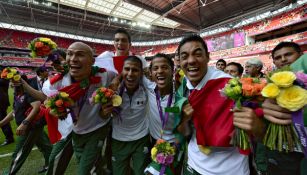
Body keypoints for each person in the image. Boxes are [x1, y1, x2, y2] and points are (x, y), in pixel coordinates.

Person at [176, 35, 264, 175]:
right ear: (179, 61)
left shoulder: (231, 85)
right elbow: (185, 131)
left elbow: (260, 133)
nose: (191, 60)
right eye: (185, 56)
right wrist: (184, 120)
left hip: (231, 171)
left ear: (208, 57)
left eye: (198, 54)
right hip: (193, 167)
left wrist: (258, 126)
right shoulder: (183, 87)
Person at [45, 42, 116, 174]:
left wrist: (113, 90)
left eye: (80, 55)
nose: (73, 59)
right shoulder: (59, 81)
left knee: (85, 170)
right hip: (76, 131)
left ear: (92, 61)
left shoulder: (105, 76)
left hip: (97, 128)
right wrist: (56, 110)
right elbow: (46, 97)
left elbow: (119, 76)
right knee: (95, 167)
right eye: (70, 54)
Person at [260, 41, 305, 175]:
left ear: (301, 55)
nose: (283, 59)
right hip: (282, 150)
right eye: (278, 58)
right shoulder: (269, 85)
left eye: (288, 54)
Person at [0, 75, 52, 175]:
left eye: (12, 81)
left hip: (30, 126)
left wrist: (24, 123)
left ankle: (9, 173)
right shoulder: (17, 93)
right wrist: (2, 123)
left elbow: (36, 106)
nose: (10, 83)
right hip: (34, 126)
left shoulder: (28, 92)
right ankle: (50, 164)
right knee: (46, 146)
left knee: (19, 152)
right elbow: (14, 111)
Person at [144, 53, 185, 175]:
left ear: (172, 71)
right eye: (155, 68)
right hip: (154, 142)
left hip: (174, 144)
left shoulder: (181, 94)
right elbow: (129, 69)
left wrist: (175, 147)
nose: (160, 71)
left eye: (165, 67)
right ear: (150, 73)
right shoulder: (148, 87)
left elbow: (186, 124)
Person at [109, 56, 150, 175]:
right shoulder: (113, 90)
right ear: (122, 71)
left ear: (141, 73)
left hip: (141, 139)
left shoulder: (147, 88)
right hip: (118, 140)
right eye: (127, 69)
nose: (130, 74)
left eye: (135, 70)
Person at [0, 66, 14, 146]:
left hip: (1, 103)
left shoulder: (4, 79)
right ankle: (9, 137)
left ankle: (9, 138)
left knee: (3, 120)